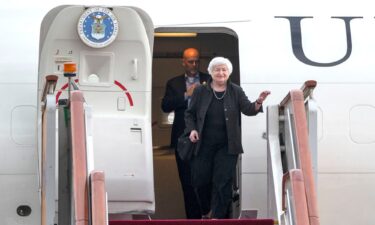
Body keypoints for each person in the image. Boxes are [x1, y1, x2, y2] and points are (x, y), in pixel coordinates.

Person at [185, 56, 270, 219]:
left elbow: (248, 109)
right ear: (211, 72)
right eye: (217, 69)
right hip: (203, 144)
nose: (221, 73)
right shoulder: (200, 91)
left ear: (229, 73)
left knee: (222, 182)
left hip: (227, 146)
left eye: (224, 69)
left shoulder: (235, 91)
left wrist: (258, 102)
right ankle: (206, 211)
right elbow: (189, 114)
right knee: (200, 181)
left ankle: (217, 217)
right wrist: (192, 130)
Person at [161, 48, 210, 219]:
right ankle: (193, 219)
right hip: (183, 139)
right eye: (190, 61)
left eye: (197, 60)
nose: (194, 64)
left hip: (206, 138)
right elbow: (165, 106)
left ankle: (209, 215)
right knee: (187, 183)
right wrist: (185, 95)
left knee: (206, 180)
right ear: (183, 62)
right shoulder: (173, 83)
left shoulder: (209, 79)